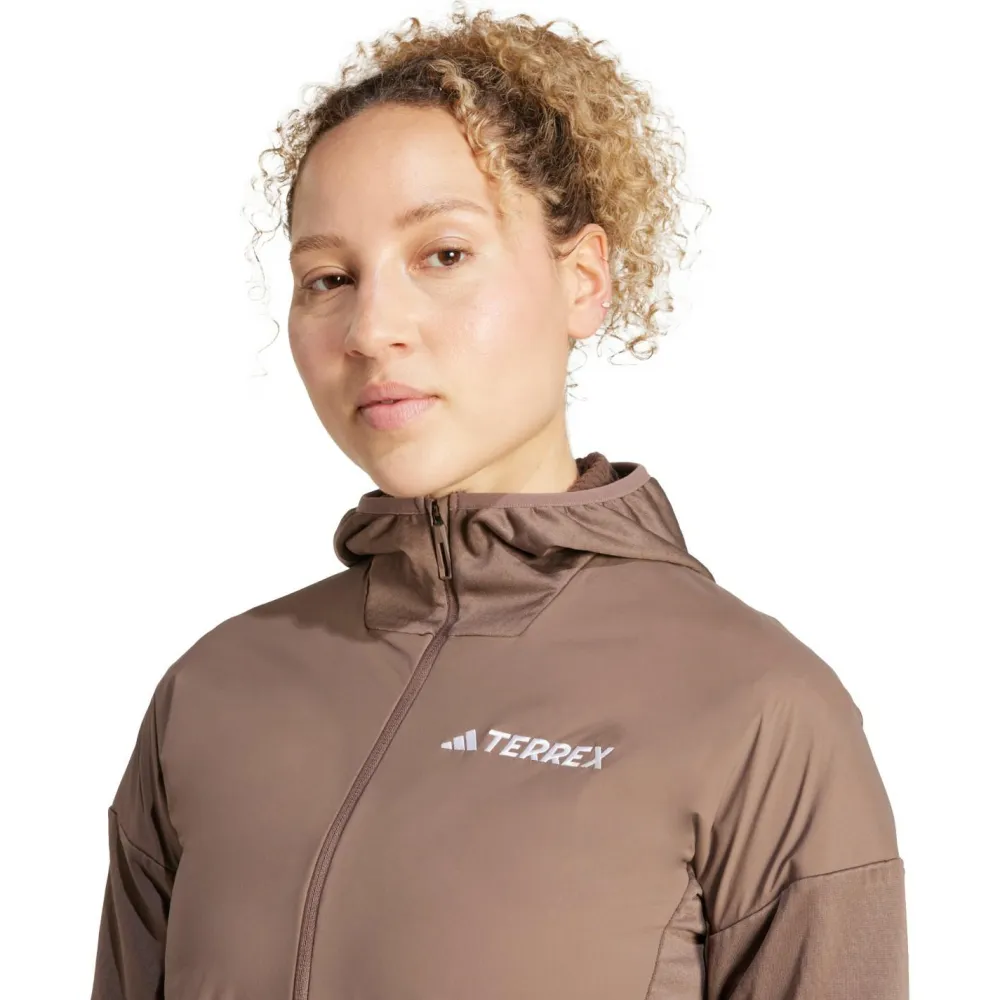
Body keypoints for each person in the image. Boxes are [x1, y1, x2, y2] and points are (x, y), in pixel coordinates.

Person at [90, 5, 908, 998]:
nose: (371, 328)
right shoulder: (214, 692)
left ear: (584, 280)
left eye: (443, 255)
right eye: (328, 277)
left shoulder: (756, 709)